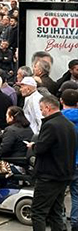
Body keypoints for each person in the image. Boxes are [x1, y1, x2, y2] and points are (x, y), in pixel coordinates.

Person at [29, 94, 77, 231]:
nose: (41, 112)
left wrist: (33, 146)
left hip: (49, 175)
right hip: (64, 174)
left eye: (41, 109)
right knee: (55, 211)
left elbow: (41, 148)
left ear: (48, 108)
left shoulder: (50, 125)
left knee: (38, 212)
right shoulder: (69, 124)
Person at [59, 89, 78, 231]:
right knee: (76, 195)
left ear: (61, 101)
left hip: (61, 163)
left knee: (58, 194)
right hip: (77, 162)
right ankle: (75, 223)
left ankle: (60, 221)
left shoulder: (57, 119)